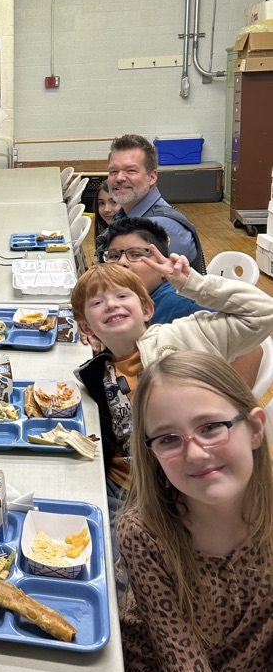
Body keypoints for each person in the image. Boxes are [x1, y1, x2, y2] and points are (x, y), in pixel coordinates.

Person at [118, 351, 271, 672]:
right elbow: (181, 660)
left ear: (255, 428)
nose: (197, 454)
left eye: (211, 427)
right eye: (169, 439)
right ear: (152, 453)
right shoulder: (144, 533)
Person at [70, 249, 273, 516]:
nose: (111, 305)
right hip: (118, 485)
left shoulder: (188, 334)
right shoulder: (98, 371)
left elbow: (263, 313)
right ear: (86, 328)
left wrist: (194, 283)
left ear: (147, 309)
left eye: (121, 296)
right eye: (97, 302)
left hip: (182, 490)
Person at [96, 217, 263, 387]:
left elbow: (252, 350)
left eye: (136, 255)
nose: (121, 263)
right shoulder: (123, 303)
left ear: (163, 268)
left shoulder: (182, 303)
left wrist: (230, 399)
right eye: (114, 256)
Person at [106, 134, 206, 272]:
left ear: (152, 177)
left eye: (131, 170)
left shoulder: (164, 228)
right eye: (113, 171)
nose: (119, 178)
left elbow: (159, 283)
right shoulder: (123, 216)